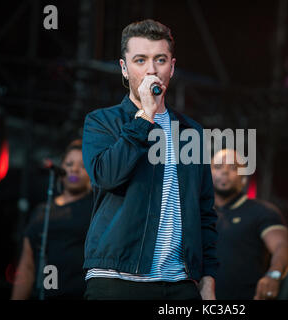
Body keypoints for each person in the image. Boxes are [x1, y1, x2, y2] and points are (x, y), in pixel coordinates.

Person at [81, 19, 217, 300]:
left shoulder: (192, 132)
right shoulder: (102, 121)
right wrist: (145, 116)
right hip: (116, 279)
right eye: (140, 60)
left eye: (160, 60)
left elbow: (205, 212)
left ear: (173, 66)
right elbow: (107, 175)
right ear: (124, 67)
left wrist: (207, 279)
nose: (152, 70)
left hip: (180, 283)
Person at [11, 139, 92, 299]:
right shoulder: (42, 210)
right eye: (69, 164)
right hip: (42, 292)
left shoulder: (94, 208)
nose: (74, 169)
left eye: (82, 166)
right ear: (60, 169)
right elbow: (27, 264)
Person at [211, 149, 288, 300]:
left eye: (233, 168)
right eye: (218, 166)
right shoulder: (197, 212)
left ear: (244, 178)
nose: (224, 172)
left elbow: (282, 246)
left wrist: (273, 275)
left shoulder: (262, 212)